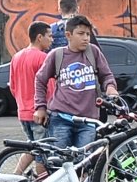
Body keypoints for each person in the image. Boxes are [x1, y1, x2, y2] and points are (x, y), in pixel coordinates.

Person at [36, 14, 118, 147]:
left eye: (88, 34)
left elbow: (107, 75)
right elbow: (40, 80)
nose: (85, 38)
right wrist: (40, 107)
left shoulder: (94, 52)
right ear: (68, 35)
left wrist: (110, 87)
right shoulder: (57, 55)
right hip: (60, 119)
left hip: (88, 121)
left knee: (85, 161)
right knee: (59, 161)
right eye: (81, 34)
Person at [10, 20, 52, 156]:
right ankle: (42, 178)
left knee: (32, 147)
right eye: (49, 36)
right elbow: (50, 88)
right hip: (39, 113)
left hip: (23, 112)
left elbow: (13, 86)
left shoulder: (16, 57)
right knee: (42, 154)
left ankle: (15, 176)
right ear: (40, 37)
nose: (52, 40)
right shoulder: (43, 58)